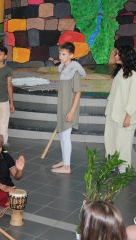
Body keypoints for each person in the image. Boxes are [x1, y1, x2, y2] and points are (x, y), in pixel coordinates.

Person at [51, 42, 86, 174]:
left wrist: (71, 111)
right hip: (62, 107)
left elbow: (78, 93)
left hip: (69, 109)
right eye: (60, 53)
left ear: (71, 55)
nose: (60, 56)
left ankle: (67, 166)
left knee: (65, 136)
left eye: (64, 54)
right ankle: (65, 160)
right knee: (61, 134)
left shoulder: (74, 71)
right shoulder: (64, 69)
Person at [104, 45, 136, 173]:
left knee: (123, 143)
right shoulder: (120, 72)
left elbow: (134, 97)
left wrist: (128, 116)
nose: (116, 56)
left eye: (118, 54)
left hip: (125, 115)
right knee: (110, 139)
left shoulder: (134, 75)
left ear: (125, 56)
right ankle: (111, 164)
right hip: (113, 112)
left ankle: (123, 168)